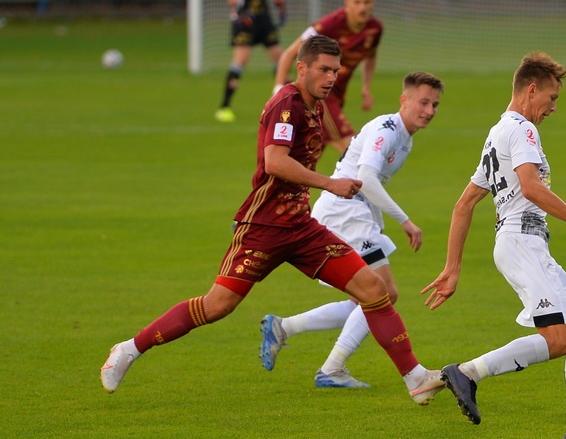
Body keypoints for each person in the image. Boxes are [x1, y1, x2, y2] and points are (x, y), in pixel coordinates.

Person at [102, 36, 445, 407]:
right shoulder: (287, 104)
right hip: (264, 226)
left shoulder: (317, 106)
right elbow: (275, 162)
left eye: (335, 70)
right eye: (324, 69)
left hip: (302, 227)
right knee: (217, 306)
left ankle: (415, 378)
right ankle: (129, 349)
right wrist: (331, 183)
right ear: (302, 68)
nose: (331, 77)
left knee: (374, 290)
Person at [420, 52, 566, 439]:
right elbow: (531, 188)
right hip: (522, 243)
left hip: (527, 244)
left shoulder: (499, 132)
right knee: (559, 339)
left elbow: (464, 204)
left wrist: (452, 268)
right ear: (531, 90)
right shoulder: (522, 131)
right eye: (551, 97)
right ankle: (466, 372)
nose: (552, 107)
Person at [259, 71, 444, 391]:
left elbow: (371, 184)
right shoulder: (388, 129)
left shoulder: (405, 137)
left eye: (435, 105)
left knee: (371, 296)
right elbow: (366, 178)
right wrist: (405, 221)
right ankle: (332, 367)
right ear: (404, 100)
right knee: (383, 294)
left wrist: (378, 225)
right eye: (423, 102)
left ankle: (284, 328)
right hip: (345, 211)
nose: (429, 110)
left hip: (353, 212)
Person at [274, 0, 382, 152]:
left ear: (373, 3)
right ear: (347, 3)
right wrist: (278, 90)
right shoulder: (329, 25)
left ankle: (283, 178)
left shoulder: (375, 29)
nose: (362, 7)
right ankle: (370, 179)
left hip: (338, 95)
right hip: (318, 94)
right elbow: (289, 54)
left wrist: (366, 88)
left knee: (308, 154)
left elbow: (370, 57)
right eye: (357, 2)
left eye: (367, 2)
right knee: (353, 149)